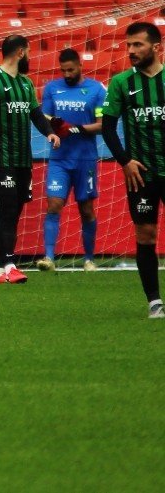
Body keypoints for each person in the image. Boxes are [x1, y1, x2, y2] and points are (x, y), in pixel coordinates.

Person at [0, 34, 60, 284]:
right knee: (8, 207)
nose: (29, 56)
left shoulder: (26, 84)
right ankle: (9, 264)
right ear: (21, 52)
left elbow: (36, 114)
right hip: (0, 156)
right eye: (28, 52)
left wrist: (50, 132)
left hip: (22, 158)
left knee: (15, 211)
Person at [101, 21, 165, 319]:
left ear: (156, 47)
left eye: (137, 45)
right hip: (141, 173)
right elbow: (108, 128)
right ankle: (154, 302)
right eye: (128, 45)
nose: (131, 51)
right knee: (146, 234)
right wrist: (125, 161)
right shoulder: (121, 83)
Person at [36, 48, 106, 272]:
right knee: (54, 204)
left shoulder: (96, 89)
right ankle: (48, 258)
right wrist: (53, 127)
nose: (66, 74)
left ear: (80, 66)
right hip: (59, 158)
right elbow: (44, 118)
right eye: (63, 70)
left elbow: (102, 124)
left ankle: (89, 259)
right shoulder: (52, 89)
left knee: (86, 209)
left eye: (71, 70)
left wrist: (74, 129)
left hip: (85, 159)